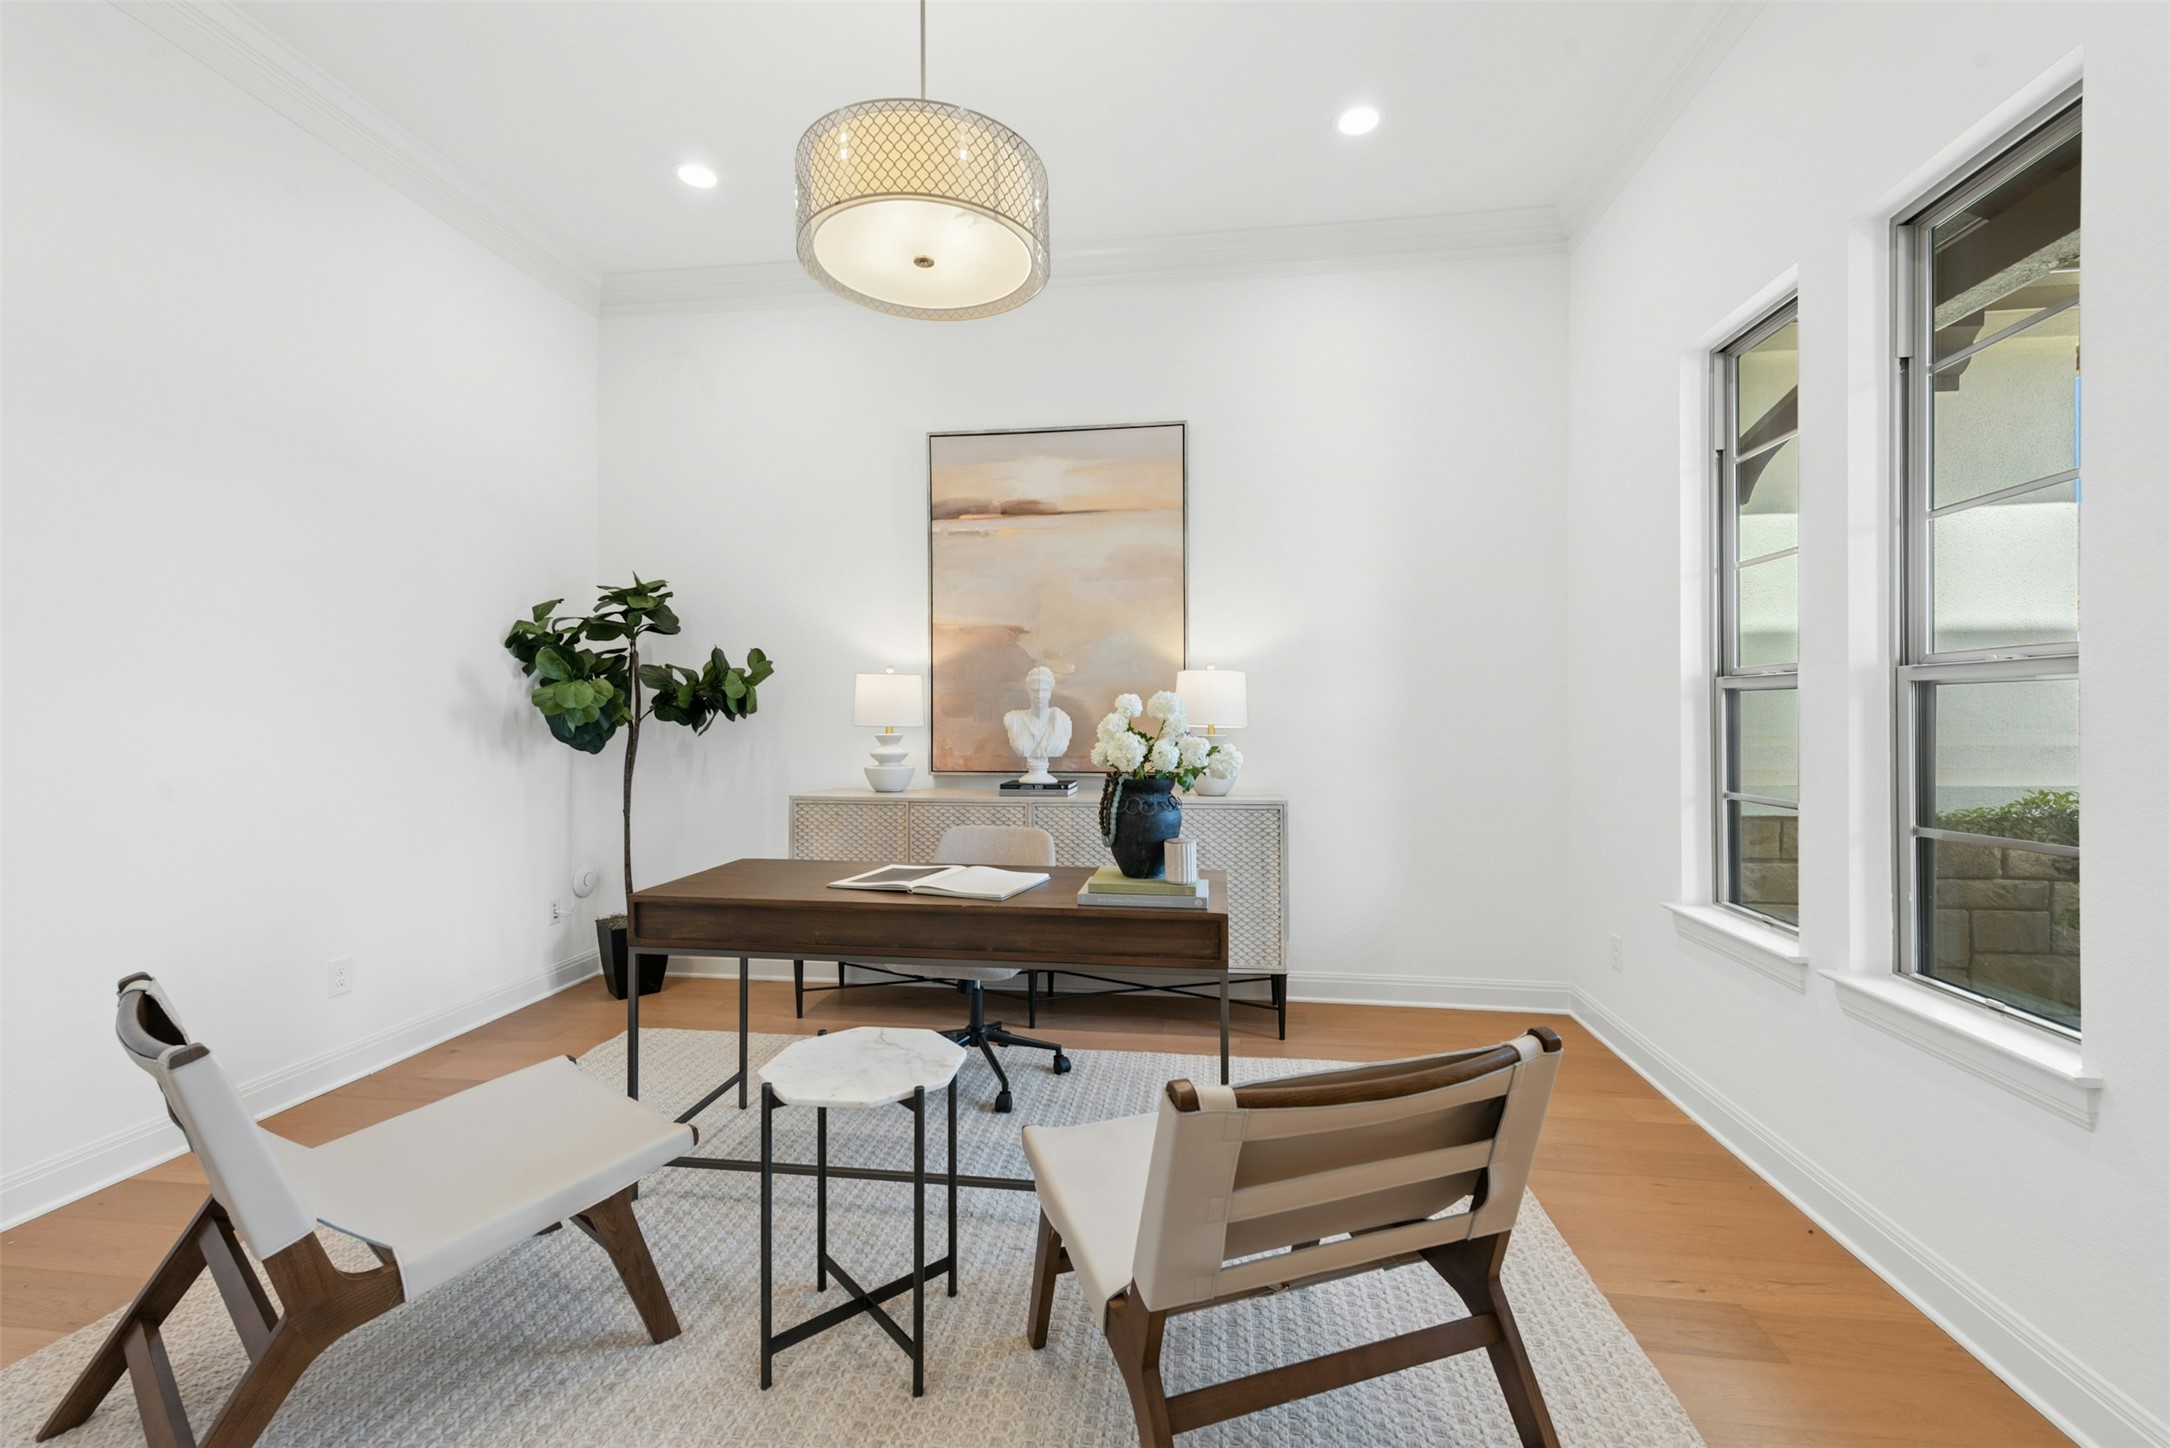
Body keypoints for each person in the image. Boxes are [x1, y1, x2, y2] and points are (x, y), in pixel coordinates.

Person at [1002, 665, 1072, 783]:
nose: (1039, 695)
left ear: (1050, 691)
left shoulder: (1062, 721)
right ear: (1028, 691)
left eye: (1044, 690)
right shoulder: (1012, 718)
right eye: (1035, 690)